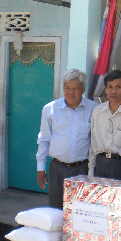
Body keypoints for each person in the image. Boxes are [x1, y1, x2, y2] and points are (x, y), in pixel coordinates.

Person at [36, 69, 97, 210]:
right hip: (57, 170)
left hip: (83, 170)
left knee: (80, 211)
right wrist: (40, 168)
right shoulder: (50, 109)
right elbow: (44, 140)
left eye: (75, 88)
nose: (70, 92)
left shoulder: (93, 109)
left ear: (83, 90)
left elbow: (96, 141)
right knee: (56, 210)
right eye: (67, 88)